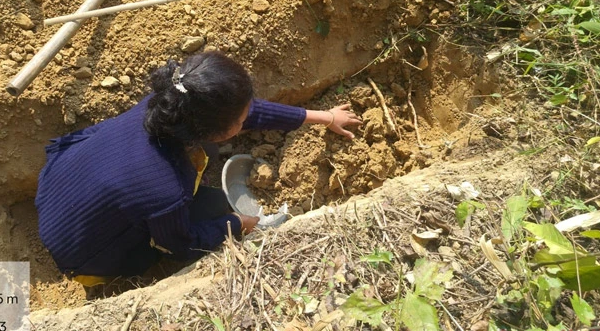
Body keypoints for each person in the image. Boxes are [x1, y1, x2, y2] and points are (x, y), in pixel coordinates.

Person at [34, 51, 362, 285]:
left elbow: (247, 111)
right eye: (242, 120)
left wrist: (324, 117)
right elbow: (180, 244)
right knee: (217, 208)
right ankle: (112, 270)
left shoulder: (168, 104)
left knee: (204, 170)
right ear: (215, 127)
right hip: (83, 253)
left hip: (58, 185)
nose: (249, 118)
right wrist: (238, 222)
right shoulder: (164, 188)